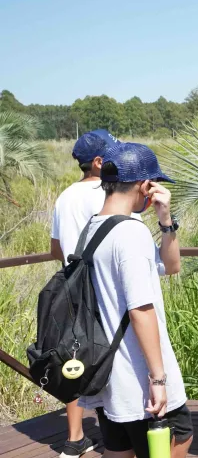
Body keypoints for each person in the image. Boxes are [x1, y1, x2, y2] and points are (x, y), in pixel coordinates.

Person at [77, 142, 192, 458]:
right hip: (138, 375)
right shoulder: (130, 233)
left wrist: (165, 220)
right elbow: (141, 308)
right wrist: (158, 378)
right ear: (145, 185)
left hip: (108, 376)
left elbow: (170, 266)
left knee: (118, 448)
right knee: (179, 438)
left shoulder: (92, 228)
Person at [49, 129, 118, 458]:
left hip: (73, 289)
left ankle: (75, 438)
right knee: (112, 359)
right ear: (99, 162)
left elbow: (54, 247)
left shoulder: (64, 197)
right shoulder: (110, 192)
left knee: (74, 358)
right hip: (105, 289)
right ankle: (117, 432)